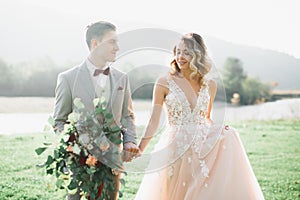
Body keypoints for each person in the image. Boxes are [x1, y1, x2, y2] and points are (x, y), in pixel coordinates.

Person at [134, 33, 265, 199]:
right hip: (175, 146)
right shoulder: (164, 82)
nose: (180, 57)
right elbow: (154, 120)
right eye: (178, 52)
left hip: (202, 146)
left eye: (187, 53)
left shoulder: (210, 84)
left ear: (198, 56)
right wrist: (140, 148)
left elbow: (206, 118)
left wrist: (219, 129)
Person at [53, 21, 139, 200]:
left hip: (113, 160)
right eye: (112, 42)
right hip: (80, 162)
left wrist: (130, 141)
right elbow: (59, 121)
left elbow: (127, 116)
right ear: (95, 44)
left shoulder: (122, 79)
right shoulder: (68, 79)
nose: (118, 47)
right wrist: (73, 147)